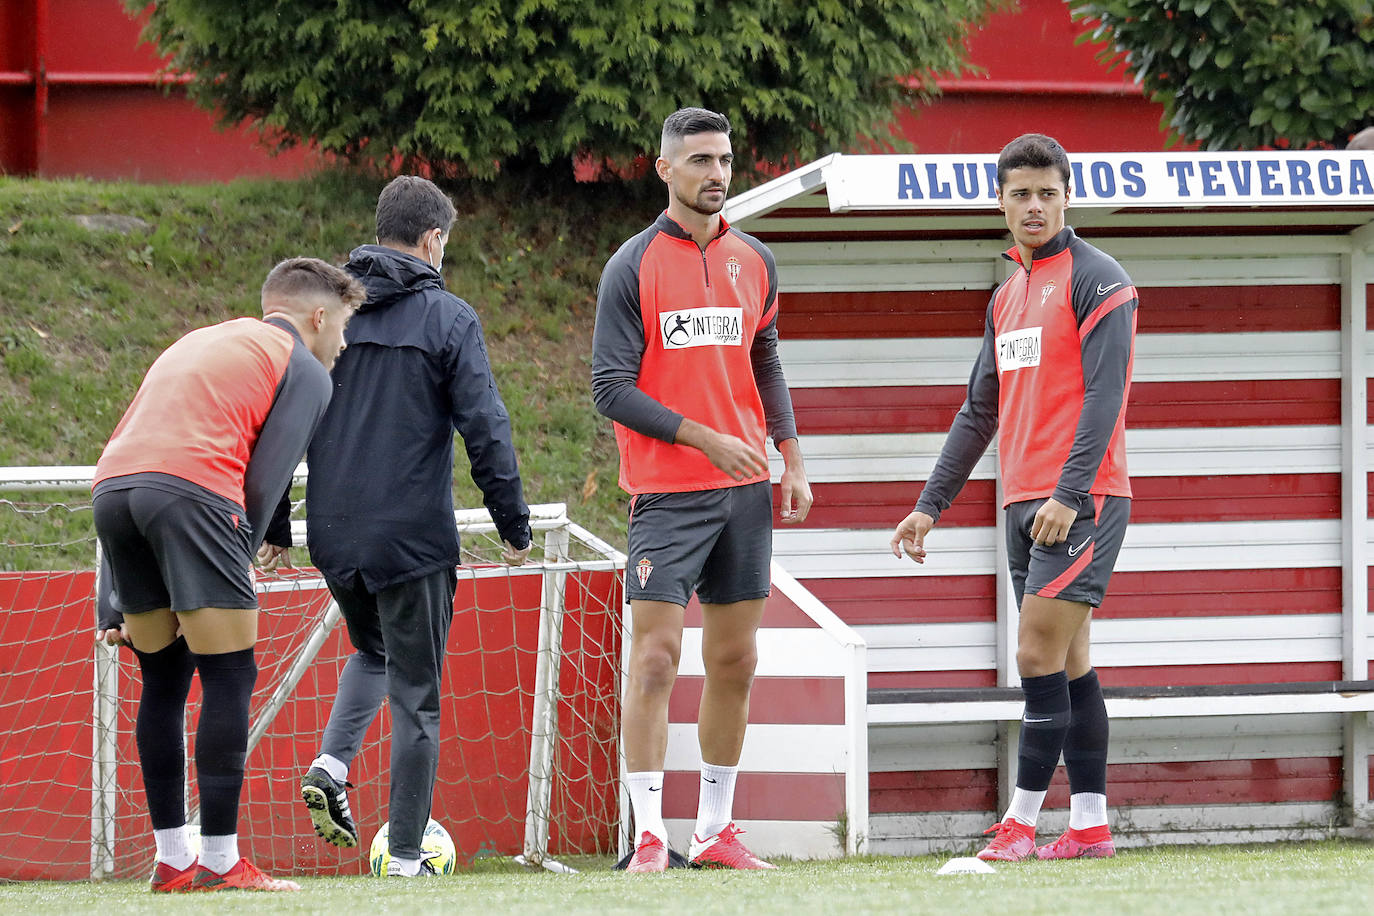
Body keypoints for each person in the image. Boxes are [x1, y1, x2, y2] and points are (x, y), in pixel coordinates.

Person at [889, 133, 1137, 862]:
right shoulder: (1007, 297)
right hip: (1021, 503)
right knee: (1068, 661)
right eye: (1020, 194)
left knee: (1033, 651)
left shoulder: (1100, 279)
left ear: (1068, 197)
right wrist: (929, 504)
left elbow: (1105, 398)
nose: (1034, 206)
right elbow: (978, 411)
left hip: (1081, 499)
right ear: (1000, 200)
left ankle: (1020, 824)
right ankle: (1089, 826)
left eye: (1047, 194)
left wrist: (1068, 491)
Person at [92, 257, 364, 892]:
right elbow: (268, 475)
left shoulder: (203, 340)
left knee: (162, 680)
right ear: (317, 317)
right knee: (230, 672)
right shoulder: (304, 367)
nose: (344, 343)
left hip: (114, 494)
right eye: (344, 326)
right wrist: (243, 549)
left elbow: (137, 452)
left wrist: (111, 603)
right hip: (193, 495)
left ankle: (171, 860)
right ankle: (220, 862)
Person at [592, 107, 813, 872]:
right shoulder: (632, 265)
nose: (716, 174)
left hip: (747, 493)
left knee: (736, 663)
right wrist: (699, 435)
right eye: (699, 162)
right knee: (655, 661)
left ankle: (715, 831)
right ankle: (649, 836)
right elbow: (609, 388)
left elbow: (767, 358)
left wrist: (791, 452)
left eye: (723, 160)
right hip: (666, 493)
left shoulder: (756, 259)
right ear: (665, 170)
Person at [298, 175, 533, 878]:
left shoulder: (325, 312)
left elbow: (282, 416)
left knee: (374, 652)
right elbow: (485, 431)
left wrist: (276, 525)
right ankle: (406, 862)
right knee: (418, 700)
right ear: (433, 240)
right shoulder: (448, 318)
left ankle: (332, 764)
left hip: (333, 536)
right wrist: (514, 525)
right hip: (410, 542)